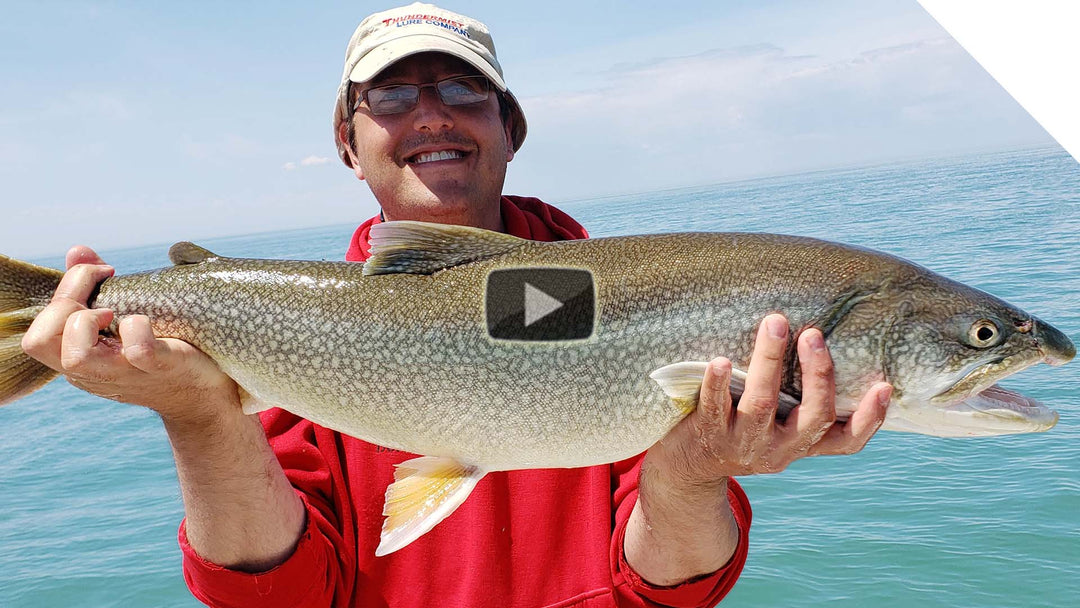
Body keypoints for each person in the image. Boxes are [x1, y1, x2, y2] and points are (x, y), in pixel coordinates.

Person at [22, 3, 893, 607]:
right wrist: (200, 415)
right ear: (347, 143)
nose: (431, 115)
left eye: (462, 90)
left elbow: (669, 587)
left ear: (510, 126)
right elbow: (281, 594)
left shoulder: (649, 307)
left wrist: (696, 468)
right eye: (391, 96)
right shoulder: (302, 335)